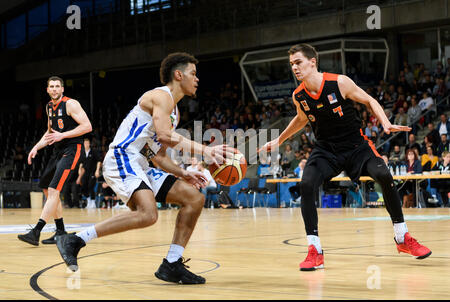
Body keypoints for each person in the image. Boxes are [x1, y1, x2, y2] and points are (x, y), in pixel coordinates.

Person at [55, 52, 234, 284]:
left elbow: (157, 156)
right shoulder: (161, 96)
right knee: (148, 214)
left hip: (139, 161)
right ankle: (75, 240)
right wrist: (206, 150)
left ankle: (171, 264)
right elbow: (164, 135)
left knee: (194, 199)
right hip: (121, 156)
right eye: (193, 74)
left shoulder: (175, 113)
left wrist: (184, 173)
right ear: (178, 75)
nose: (197, 79)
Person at [258, 43, 431, 271]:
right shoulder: (298, 95)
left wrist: (385, 123)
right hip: (326, 150)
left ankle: (402, 238)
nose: (295, 68)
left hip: (357, 146)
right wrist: (278, 140)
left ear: (313, 62)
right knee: (307, 184)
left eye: (298, 62)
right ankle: (315, 250)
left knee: (383, 173)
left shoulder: (339, 82)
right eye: (291, 64)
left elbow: (369, 100)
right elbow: (301, 118)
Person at [18, 76, 92, 246]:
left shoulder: (71, 104)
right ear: (47, 90)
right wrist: (36, 147)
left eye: (57, 86)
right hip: (58, 151)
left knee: (53, 190)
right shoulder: (49, 107)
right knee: (45, 186)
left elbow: (87, 126)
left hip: (73, 150)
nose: (54, 89)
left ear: (62, 89)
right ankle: (60, 231)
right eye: (51, 86)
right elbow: (49, 132)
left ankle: (36, 231)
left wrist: (63, 135)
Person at [77, 137, 102, 208]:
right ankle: (88, 200)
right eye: (85, 143)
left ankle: (93, 202)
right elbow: (81, 163)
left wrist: (97, 170)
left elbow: (99, 161)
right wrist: (79, 169)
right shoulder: (82, 153)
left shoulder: (93, 151)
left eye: (87, 143)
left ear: (89, 144)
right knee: (84, 187)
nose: (86, 144)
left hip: (92, 172)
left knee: (91, 186)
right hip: (85, 173)